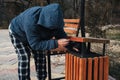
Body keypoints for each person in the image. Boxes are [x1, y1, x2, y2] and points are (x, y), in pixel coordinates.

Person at [8, 3, 69, 80]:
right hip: (17, 33)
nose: (53, 30)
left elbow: (62, 35)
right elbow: (35, 44)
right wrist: (56, 43)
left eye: (54, 28)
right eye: (51, 27)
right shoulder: (31, 20)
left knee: (41, 57)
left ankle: (42, 78)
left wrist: (72, 45)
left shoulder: (56, 21)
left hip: (35, 36)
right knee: (24, 57)